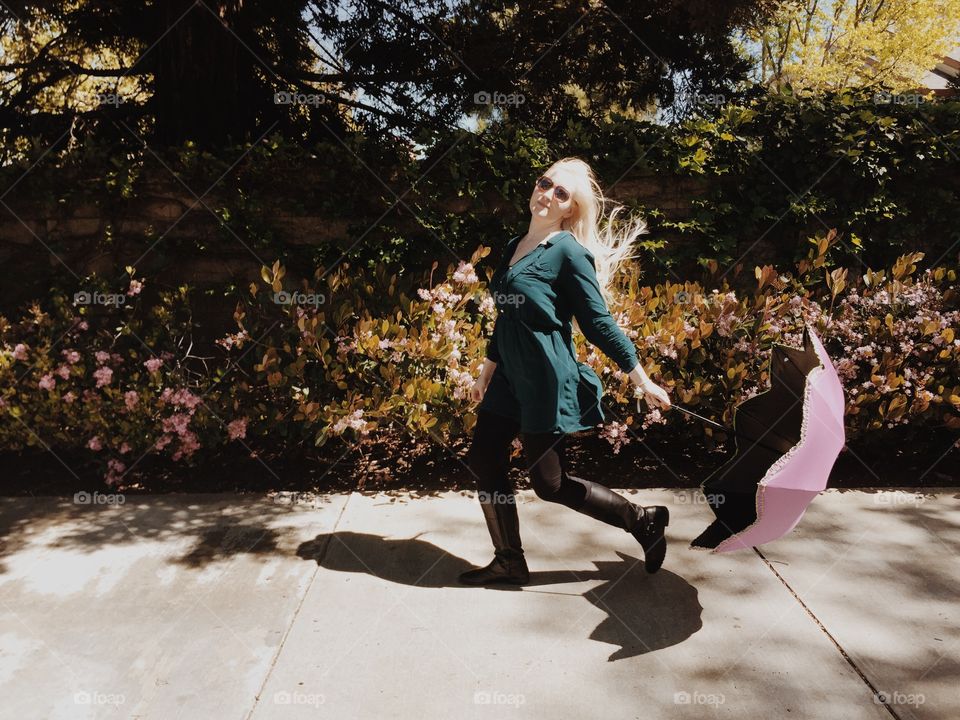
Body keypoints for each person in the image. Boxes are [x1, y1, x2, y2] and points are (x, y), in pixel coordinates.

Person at [458, 157, 672, 587]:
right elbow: (506, 317)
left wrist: (640, 377)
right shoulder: (515, 245)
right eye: (544, 183)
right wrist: (486, 372)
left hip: (544, 381)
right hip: (507, 379)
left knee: (549, 485)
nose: (547, 194)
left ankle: (642, 520)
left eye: (561, 193)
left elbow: (598, 323)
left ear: (570, 208)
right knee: (484, 459)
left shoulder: (570, 253)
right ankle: (508, 561)